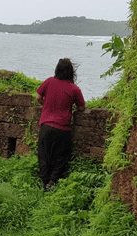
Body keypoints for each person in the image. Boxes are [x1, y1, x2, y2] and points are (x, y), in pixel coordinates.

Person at [36, 58, 85, 191]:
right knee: (61, 156)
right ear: (71, 72)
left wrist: (46, 105)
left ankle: (44, 182)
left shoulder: (49, 82)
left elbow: (38, 97)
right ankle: (52, 181)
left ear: (57, 69)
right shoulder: (74, 89)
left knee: (43, 155)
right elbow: (81, 108)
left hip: (46, 125)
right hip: (62, 128)